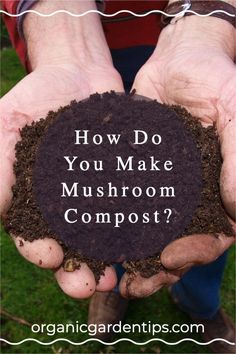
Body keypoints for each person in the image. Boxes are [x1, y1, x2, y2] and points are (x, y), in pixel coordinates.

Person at [0, 1, 235, 353]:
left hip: (196, 37)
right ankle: (113, 287)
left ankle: (201, 305)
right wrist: (66, 40)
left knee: (206, 224)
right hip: (94, 38)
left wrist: (204, 23)